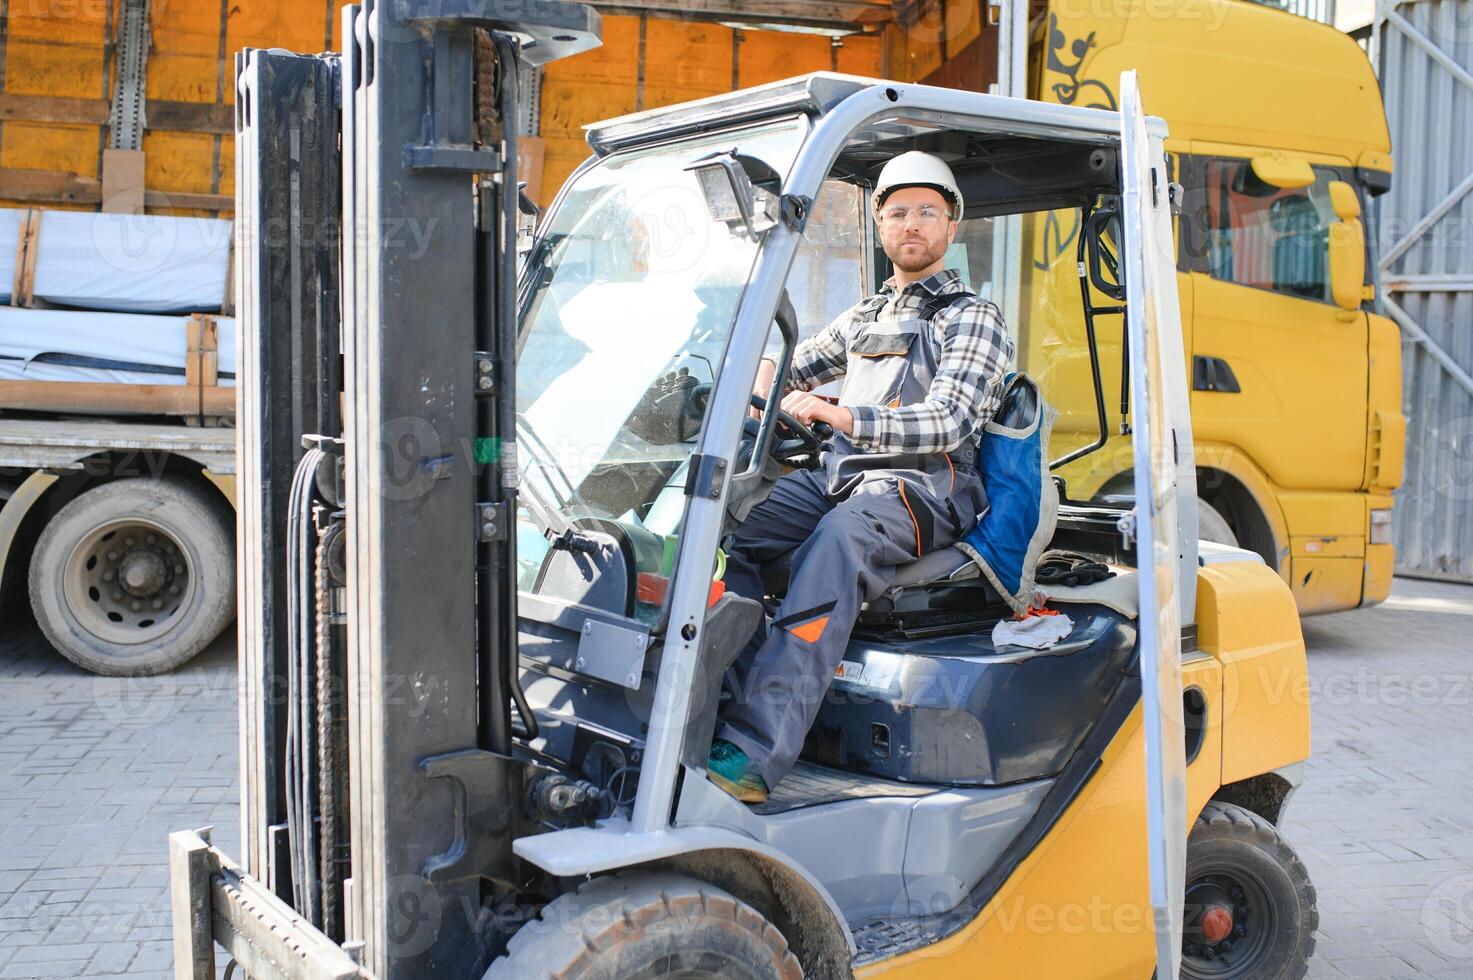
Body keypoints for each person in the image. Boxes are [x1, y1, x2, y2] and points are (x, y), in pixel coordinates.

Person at [705, 151, 1017, 803]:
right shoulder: (865, 316)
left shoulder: (970, 316)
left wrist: (839, 413)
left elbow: (949, 420)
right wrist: (761, 377)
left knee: (835, 545)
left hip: (922, 489)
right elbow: (797, 365)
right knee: (732, 529)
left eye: (927, 212)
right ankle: (724, 708)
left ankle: (756, 752)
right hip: (842, 474)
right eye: (897, 211)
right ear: (879, 224)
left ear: (949, 227)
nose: (912, 223)